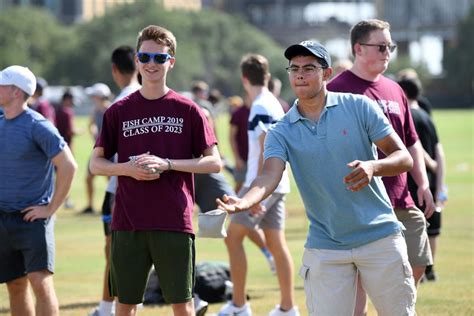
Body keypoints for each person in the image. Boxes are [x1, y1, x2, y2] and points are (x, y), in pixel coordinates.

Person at [217, 40, 417, 315]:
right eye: (294, 68)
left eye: (309, 68)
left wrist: (373, 167)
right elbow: (269, 175)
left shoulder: (359, 107)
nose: (300, 74)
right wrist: (244, 201)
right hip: (326, 245)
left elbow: (403, 157)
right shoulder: (281, 130)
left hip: (379, 236)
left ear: (327, 73)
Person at [89, 25, 222, 316]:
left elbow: (215, 162)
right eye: (145, 57)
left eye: (160, 59)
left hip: (174, 220)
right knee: (125, 304)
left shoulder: (189, 110)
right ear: (136, 60)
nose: (152, 64)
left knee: (182, 305)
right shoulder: (118, 111)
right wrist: (127, 169)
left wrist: (169, 164)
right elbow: (95, 164)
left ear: (170, 62)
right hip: (128, 222)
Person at [327, 19, 435, 315]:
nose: (388, 52)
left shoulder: (395, 89)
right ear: (358, 49)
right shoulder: (336, 91)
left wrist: (422, 183)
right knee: (358, 283)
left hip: (401, 196)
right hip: (359, 202)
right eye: (382, 46)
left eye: (391, 46)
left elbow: (411, 141)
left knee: (418, 261)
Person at [218, 54, 298, 316]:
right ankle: (288, 308)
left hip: (261, 185)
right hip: (277, 184)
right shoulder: (273, 102)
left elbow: (266, 146)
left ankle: (239, 306)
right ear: (266, 76)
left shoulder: (261, 105)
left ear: (244, 79)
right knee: (276, 243)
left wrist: (257, 197)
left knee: (232, 238)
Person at [0, 65, 77, 316]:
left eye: (2, 84)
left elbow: (68, 165)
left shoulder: (37, 125)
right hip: (3, 218)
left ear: (15, 91)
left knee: (40, 283)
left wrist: (51, 208)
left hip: (32, 219)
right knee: (15, 284)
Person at [88, 46, 141, 316]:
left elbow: (101, 158)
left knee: (116, 252)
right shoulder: (145, 96)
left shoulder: (121, 102)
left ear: (114, 70)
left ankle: (107, 308)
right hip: (138, 187)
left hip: (119, 188)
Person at [398, 77, 447, 282]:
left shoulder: (406, 116)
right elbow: (439, 152)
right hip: (430, 182)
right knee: (432, 228)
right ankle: (430, 269)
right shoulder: (427, 118)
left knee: (414, 227)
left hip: (411, 181)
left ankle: (415, 270)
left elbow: (413, 147)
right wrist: (440, 184)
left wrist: (427, 163)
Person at [81, 83, 113, 215]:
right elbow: (91, 125)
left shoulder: (110, 109)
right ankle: (90, 206)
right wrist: (94, 132)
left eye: (94, 95)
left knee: (111, 180)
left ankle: (111, 206)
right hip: (98, 150)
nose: (92, 98)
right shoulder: (95, 110)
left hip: (111, 151)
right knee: (89, 178)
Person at [55, 89, 78, 209]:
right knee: (67, 175)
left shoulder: (57, 110)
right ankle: (66, 200)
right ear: (67, 99)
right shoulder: (67, 112)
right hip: (66, 148)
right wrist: (79, 132)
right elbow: (70, 131)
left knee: (56, 175)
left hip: (54, 149)